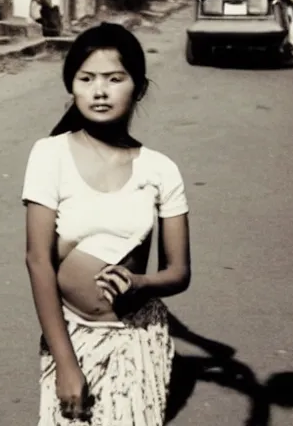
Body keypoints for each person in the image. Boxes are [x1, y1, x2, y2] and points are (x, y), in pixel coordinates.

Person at [22, 22, 191, 425]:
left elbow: (179, 273)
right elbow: (38, 262)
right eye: (86, 79)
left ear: (138, 87)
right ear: (72, 87)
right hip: (73, 338)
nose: (100, 91)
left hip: (138, 341)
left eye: (114, 78)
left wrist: (141, 284)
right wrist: (66, 364)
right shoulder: (50, 155)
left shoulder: (160, 170)